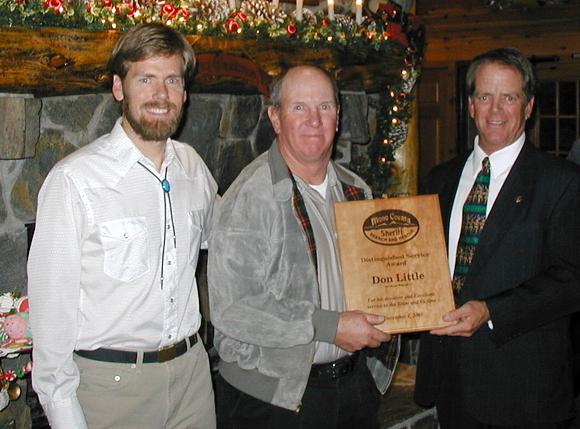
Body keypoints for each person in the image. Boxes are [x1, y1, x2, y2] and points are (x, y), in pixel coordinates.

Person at [28, 23, 217, 429]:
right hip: (110, 391)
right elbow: (50, 318)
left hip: (193, 382)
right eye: (145, 79)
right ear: (119, 88)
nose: (161, 95)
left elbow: (229, 247)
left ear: (185, 92)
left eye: (172, 80)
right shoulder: (74, 182)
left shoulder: (194, 170)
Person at [207, 65, 399, 429]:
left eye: (324, 107)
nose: (314, 120)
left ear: (338, 118)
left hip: (353, 385)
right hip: (275, 400)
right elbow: (233, 308)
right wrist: (329, 326)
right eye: (299, 108)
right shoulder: (251, 195)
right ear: (275, 118)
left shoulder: (357, 191)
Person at [414, 47, 580, 428]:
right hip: (450, 382)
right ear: (471, 105)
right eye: (485, 96)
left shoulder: (563, 182)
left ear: (529, 106)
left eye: (509, 97)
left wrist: (491, 310)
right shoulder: (440, 179)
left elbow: (572, 280)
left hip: (523, 391)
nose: (495, 110)